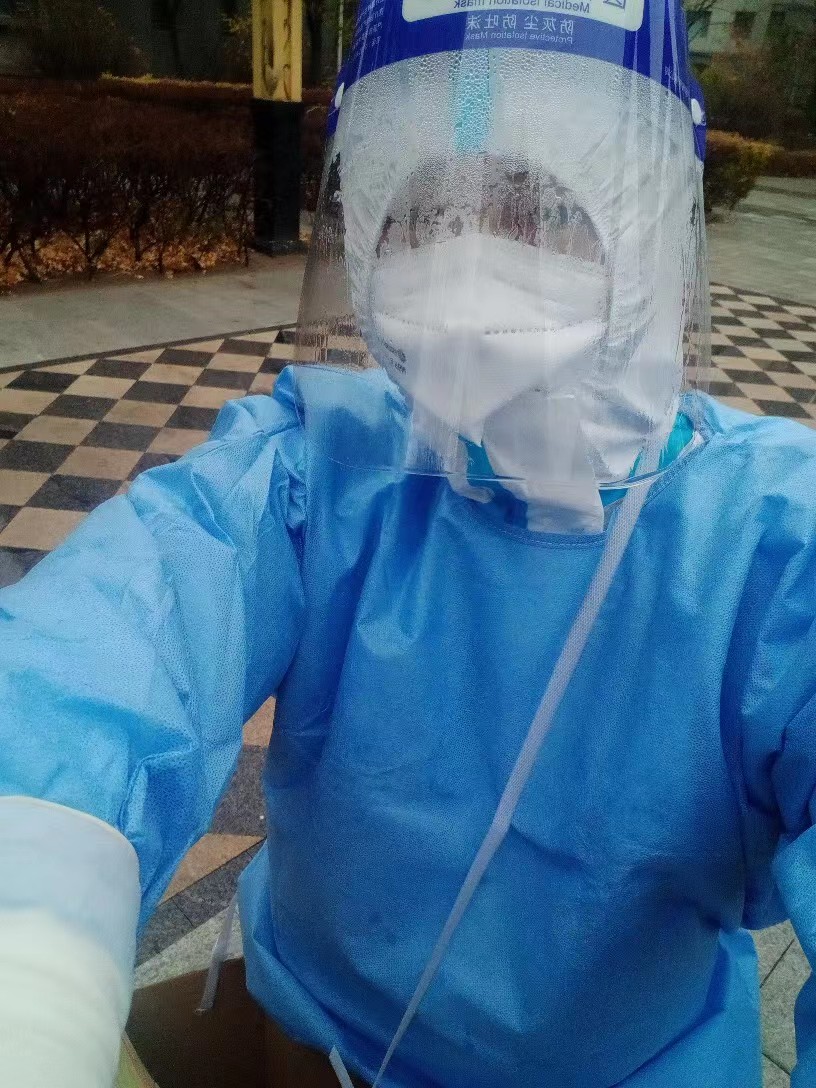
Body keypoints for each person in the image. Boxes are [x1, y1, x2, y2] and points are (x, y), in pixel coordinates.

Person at [1, 2, 816, 1087]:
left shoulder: (773, 542)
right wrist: (35, 956)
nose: (468, 268)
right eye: (423, 216)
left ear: (652, 223)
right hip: (310, 1040)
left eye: (537, 209)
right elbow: (106, 645)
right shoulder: (318, 472)